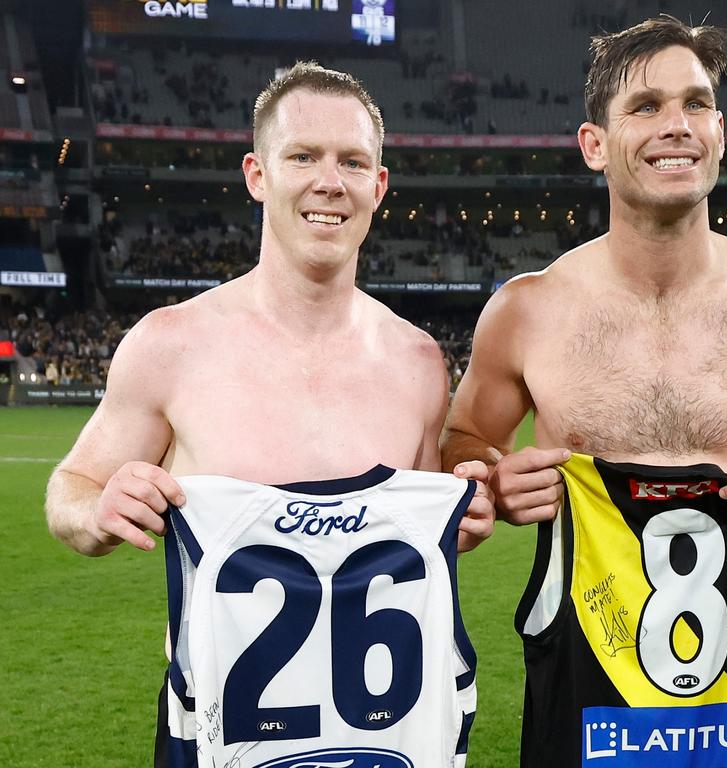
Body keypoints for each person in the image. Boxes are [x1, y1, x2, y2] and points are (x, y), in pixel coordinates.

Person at [441, 17, 727, 768]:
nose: (675, 125)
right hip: (586, 669)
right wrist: (491, 479)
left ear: (720, 130)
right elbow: (461, 446)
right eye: (645, 107)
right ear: (594, 145)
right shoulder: (527, 310)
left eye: (696, 103)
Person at [45, 62, 493, 767]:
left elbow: (419, 544)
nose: (328, 182)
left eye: (352, 162)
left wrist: (464, 525)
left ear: (377, 187)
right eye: (303, 156)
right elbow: (68, 489)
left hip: (381, 739)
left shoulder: (418, 362)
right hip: (219, 738)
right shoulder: (170, 345)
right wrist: (101, 508)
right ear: (257, 174)